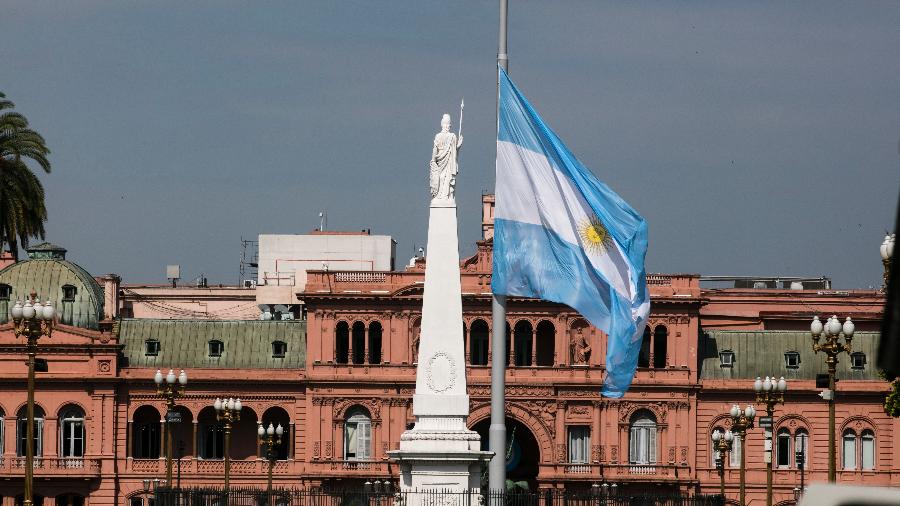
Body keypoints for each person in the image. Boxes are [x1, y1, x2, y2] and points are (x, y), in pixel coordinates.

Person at [429, 114, 463, 200]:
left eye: (447, 124)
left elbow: (435, 150)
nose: (447, 125)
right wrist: (458, 146)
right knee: (444, 178)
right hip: (444, 163)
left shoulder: (448, 136)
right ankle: (443, 197)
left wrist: (433, 160)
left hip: (446, 162)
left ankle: (443, 197)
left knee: (444, 178)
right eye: (446, 123)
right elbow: (454, 153)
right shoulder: (451, 136)